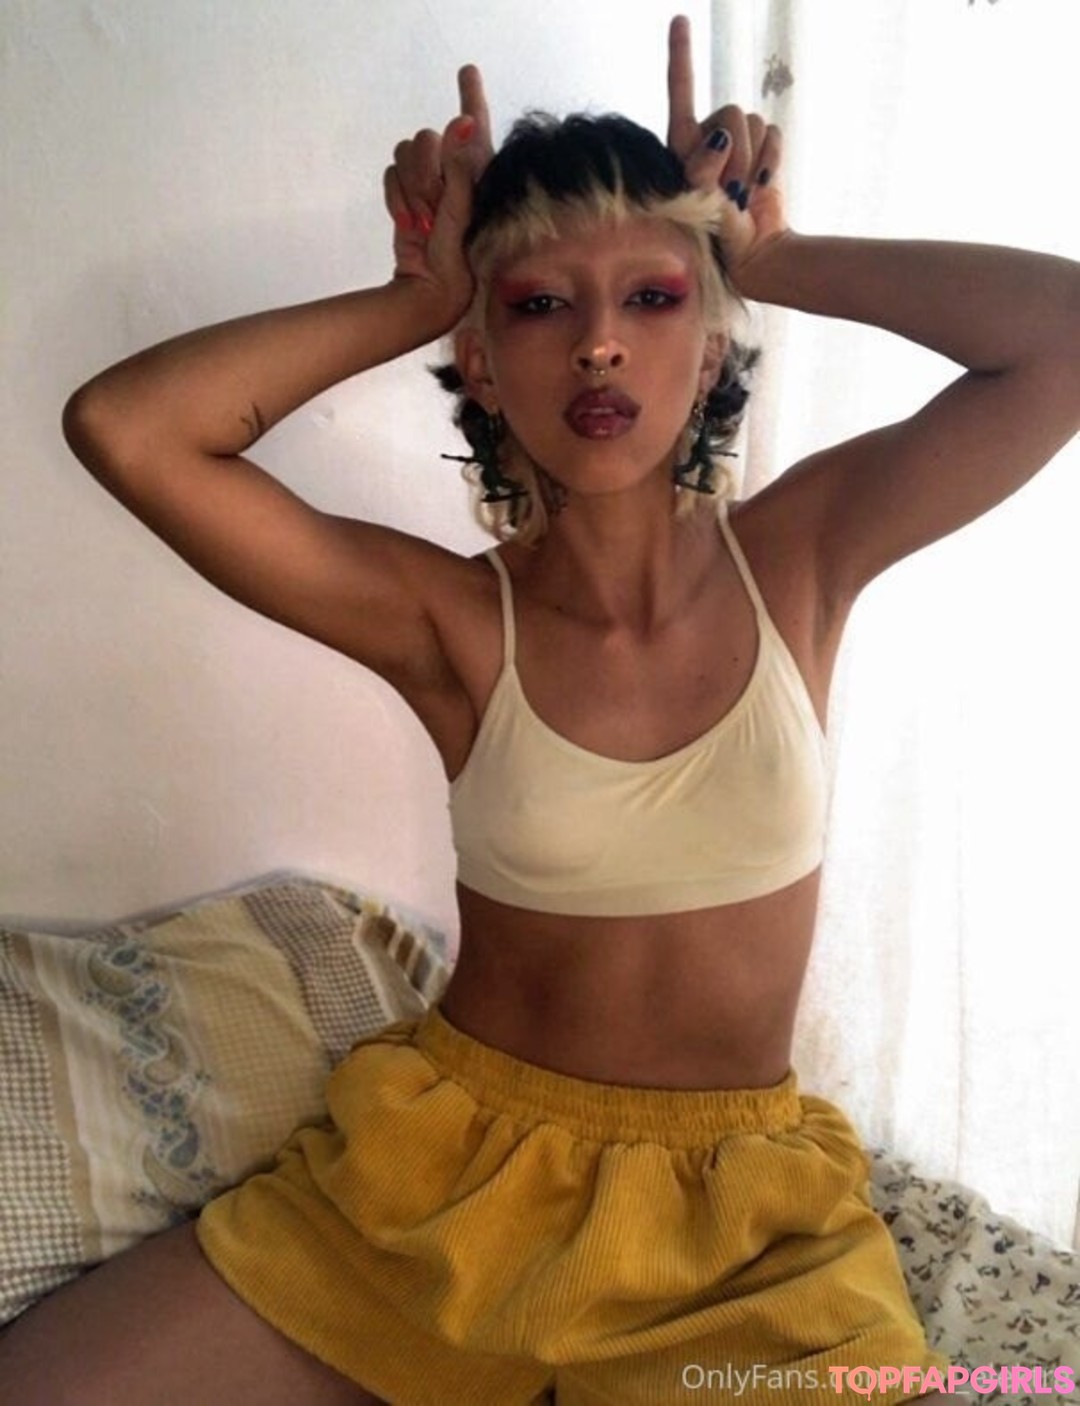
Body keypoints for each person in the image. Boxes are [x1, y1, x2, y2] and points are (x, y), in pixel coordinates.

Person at [2, 15, 1076, 1406]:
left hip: (742, 1234)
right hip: (452, 1187)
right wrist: (415, 295)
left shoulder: (804, 555)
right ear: (484, 362)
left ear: (712, 340)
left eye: (654, 297)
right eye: (539, 306)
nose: (601, 348)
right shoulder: (450, 623)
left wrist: (778, 257)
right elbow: (130, 429)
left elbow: (1060, 337)